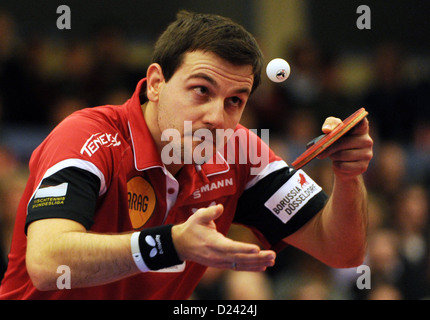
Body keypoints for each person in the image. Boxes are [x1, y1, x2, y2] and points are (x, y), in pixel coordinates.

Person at [0, 11, 373, 300]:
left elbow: (341, 250)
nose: (216, 117)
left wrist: (348, 175)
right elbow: (47, 261)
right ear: (157, 82)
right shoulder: (89, 137)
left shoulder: (239, 151)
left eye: (234, 101)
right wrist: (172, 243)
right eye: (201, 90)